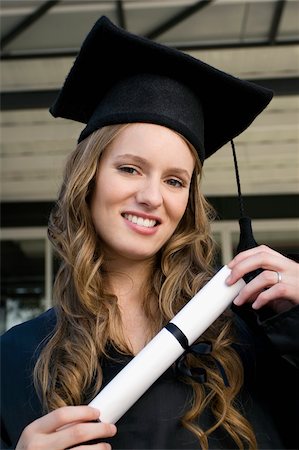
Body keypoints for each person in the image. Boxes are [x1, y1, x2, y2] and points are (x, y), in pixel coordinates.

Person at [1, 16, 298, 450]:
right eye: (129, 169)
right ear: (89, 178)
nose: (151, 196)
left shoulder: (247, 337)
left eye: (175, 181)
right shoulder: (16, 359)